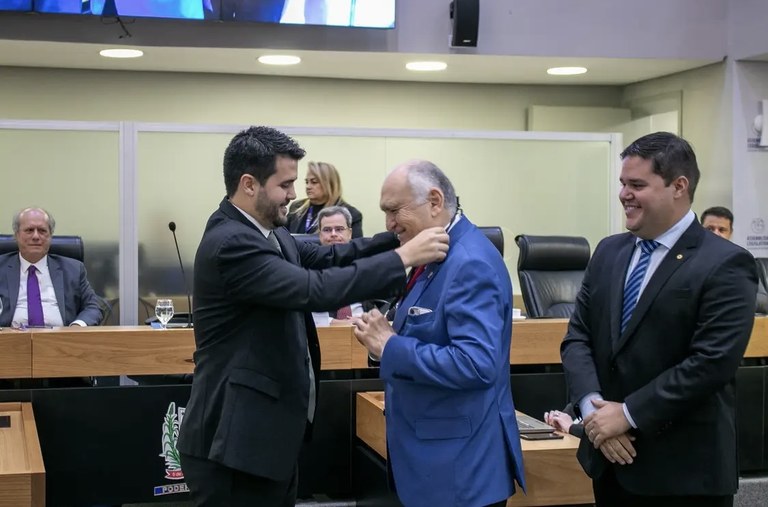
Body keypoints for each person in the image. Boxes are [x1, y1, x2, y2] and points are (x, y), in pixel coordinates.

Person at [176, 126, 449, 507]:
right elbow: (313, 289)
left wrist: (397, 236)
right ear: (249, 184)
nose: (294, 194)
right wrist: (404, 257)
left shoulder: (269, 232)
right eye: (285, 185)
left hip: (263, 441)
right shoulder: (232, 241)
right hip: (233, 447)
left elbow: (329, 257)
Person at [561, 132, 758, 507]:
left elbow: (711, 363)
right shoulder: (608, 251)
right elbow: (578, 338)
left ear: (679, 186)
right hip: (609, 461)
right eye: (622, 183)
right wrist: (594, 413)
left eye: (637, 184)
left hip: (683, 474)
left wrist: (629, 415)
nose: (623, 194)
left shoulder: (726, 263)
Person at [352, 160, 526, 507]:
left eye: (394, 211)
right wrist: (381, 343)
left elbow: (475, 364)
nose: (388, 224)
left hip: (459, 472)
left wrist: (389, 347)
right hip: (432, 462)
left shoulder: (469, 262)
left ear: (434, 201)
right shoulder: (434, 251)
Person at [0, 207, 102, 328]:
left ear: (50, 236)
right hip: (10, 341)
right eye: (29, 230)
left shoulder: (73, 269)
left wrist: (76, 327)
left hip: (60, 341)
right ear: (16, 235)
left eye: (42, 231)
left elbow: (93, 307)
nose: (36, 236)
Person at [699, 205, 768, 313]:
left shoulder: (741, 261)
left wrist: (731, 300)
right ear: (700, 230)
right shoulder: (688, 260)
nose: (715, 234)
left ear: (730, 233)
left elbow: (763, 301)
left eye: (722, 230)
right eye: (710, 229)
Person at [311, 206, 366, 326]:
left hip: (367, 331)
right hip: (326, 334)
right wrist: (335, 323)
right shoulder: (309, 269)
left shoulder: (366, 264)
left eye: (339, 229)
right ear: (320, 235)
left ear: (350, 233)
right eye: (327, 230)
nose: (333, 234)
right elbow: (306, 316)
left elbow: (385, 305)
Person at [286, 161, 363, 238]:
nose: (308, 186)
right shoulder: (297, 207)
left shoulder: (351, 214)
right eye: (307, 182)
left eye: (314, 182)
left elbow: (354, 247)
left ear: (329, 184)